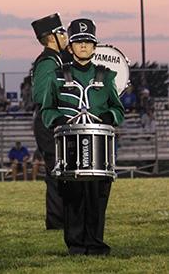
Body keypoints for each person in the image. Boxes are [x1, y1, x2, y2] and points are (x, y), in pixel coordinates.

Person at [41, 18, 124, 255]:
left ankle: (96, 243)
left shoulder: (106, 76)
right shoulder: (58, 76)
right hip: (71, 144)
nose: (84, 46)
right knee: (73, 195)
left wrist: (109, 116)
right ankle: (76, 244)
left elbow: (118, 109)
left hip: (99, 145)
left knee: (97, 195)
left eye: (88, 42)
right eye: (78, 42)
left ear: (95, 46)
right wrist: (56, 120)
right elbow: (47, 109)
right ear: (70, 47)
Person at [30, 13, 69, 229]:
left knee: (59, 169)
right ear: (52, 37)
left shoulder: (56, 59)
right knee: (55, 170)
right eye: (62, 32)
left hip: (51, 120)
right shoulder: (48, 61)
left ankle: (60, 217)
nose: (66, 36)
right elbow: (41, 95)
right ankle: (56, 220)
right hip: (48, 121)